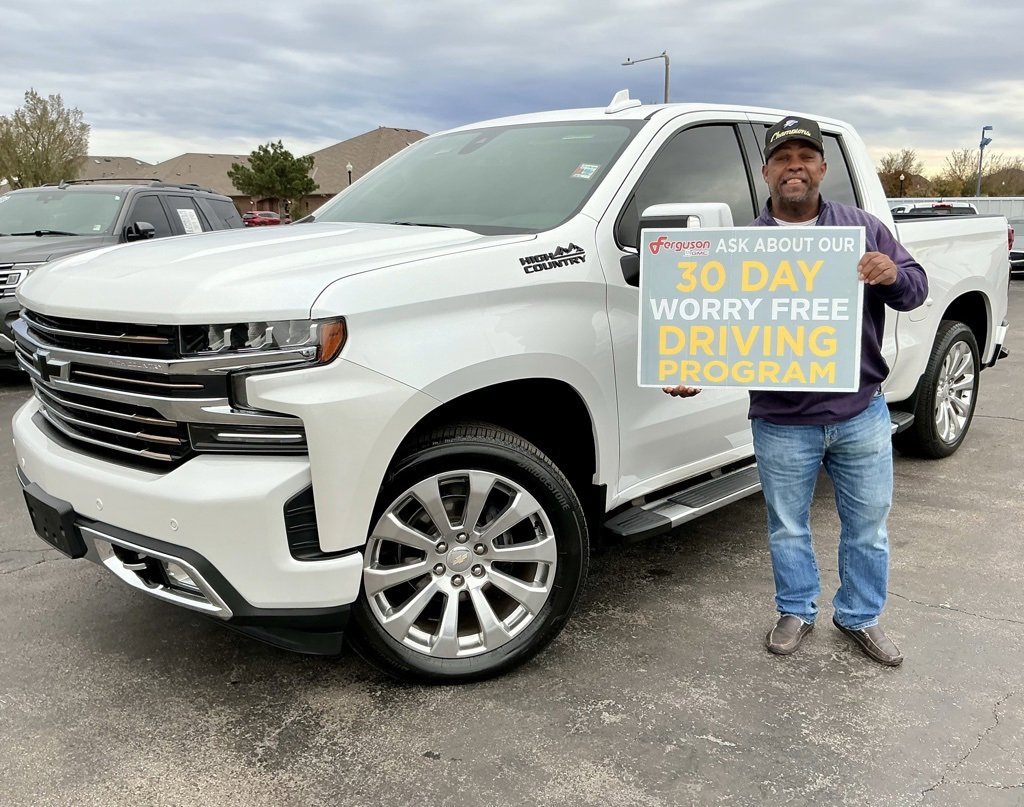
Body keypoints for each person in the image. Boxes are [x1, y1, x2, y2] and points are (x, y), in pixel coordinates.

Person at [664, 115, 928, 666]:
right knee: (787, 526)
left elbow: (914, 289)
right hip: (782, 419)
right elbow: (719, 325)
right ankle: (795, 609)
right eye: (783, 158)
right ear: (766, 171)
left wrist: (892, 275)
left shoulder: (862, 229)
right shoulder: (740, 249)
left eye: (805, 157)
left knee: (868, 529)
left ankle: (861, 617)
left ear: (822, 168)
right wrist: (690, 365)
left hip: (861, 411)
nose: (795, 167)